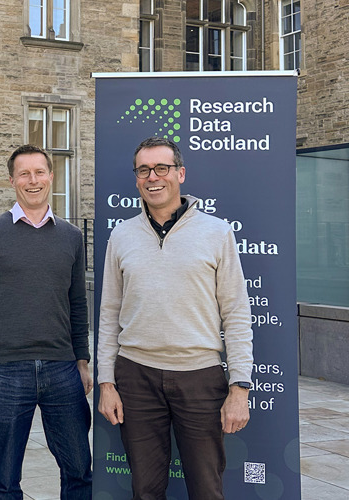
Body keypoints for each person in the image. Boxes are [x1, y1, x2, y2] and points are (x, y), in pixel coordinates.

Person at [97, 136, 253, 499]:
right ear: (136, 178)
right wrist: (107, 383)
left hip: (200, 378)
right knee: (145, 489)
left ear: (180, 173)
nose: (153, 177)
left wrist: (240, 387)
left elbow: (236, 313)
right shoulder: (121, 236)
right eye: (144, 170)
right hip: (135, 377)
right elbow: (108, 315)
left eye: (162, 168)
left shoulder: (217, 232)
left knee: (207, 489)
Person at [0, 144, 93, 500]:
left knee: (79, 470)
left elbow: (78, 303)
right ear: (12, 180)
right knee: (4, 480)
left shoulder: (72, 237)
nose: (32, 181)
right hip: (5, 370)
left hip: (62, 369)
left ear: (51, 176)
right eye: (24, 174)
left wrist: (82, 360)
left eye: (39, 172)